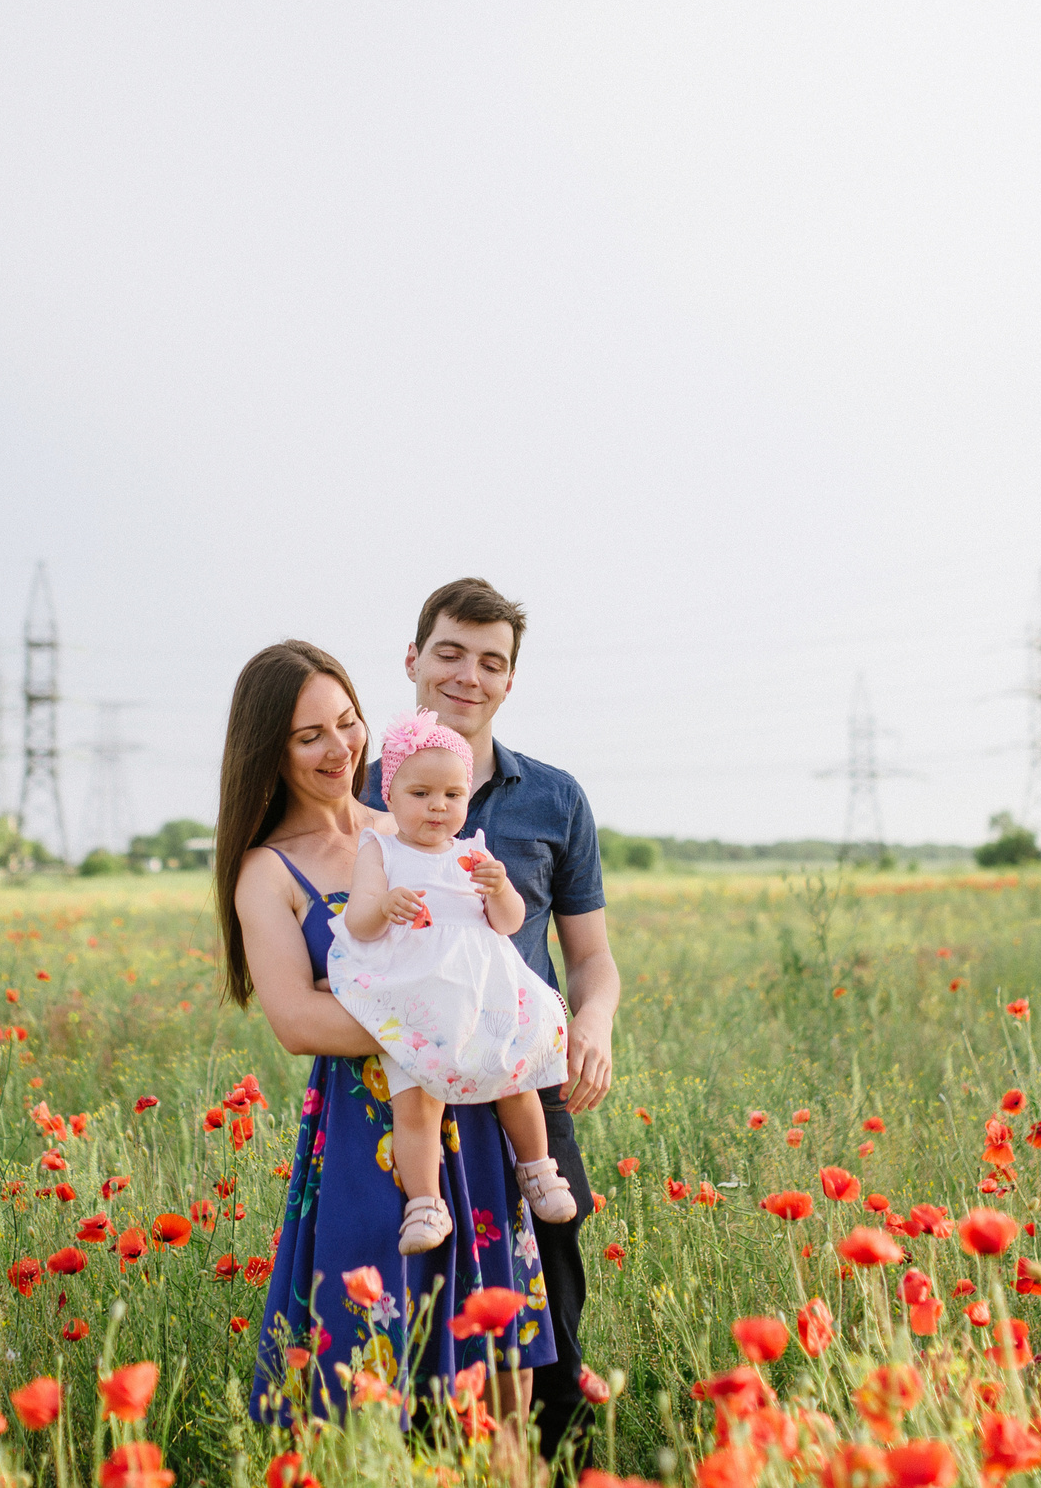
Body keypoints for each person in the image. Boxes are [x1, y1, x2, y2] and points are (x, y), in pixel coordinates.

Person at [216, 640, 556, 1428]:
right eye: (310, 736)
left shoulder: (416, 821)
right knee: (366, 1374)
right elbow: (298, 1020)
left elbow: (492, 955)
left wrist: (389, 1000)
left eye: (347, 721)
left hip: (473, 1112)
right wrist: (436, 1020)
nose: (341, 749)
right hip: (367, 1134)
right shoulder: (266, 871)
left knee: (499, 1386)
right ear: (270, 750)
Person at [364, 578, 621, 1462]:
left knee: (548, 1287)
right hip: (402, 1085)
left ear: (510, 681)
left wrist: (595, 1024)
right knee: (415, 1309)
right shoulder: (357, 797)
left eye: (491, 661)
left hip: (523, 1074)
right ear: (413, 659)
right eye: (450, 651)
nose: (468, 674)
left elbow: (591, 956)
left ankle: (555, 1467)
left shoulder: (552, 798)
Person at [330, 708, 576, 1254]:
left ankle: (537, 1169)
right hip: (415, 993)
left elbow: (508, 924)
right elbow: (357, 922)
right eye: (419, 794)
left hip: (480, 993)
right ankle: (424, 1203)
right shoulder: (382, 850)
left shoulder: (474, 852)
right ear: (388, 797)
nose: (438, 806)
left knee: (516, 1079)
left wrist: (499, 887)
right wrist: (385, 905)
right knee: (415, 1099)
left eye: (452, 794)